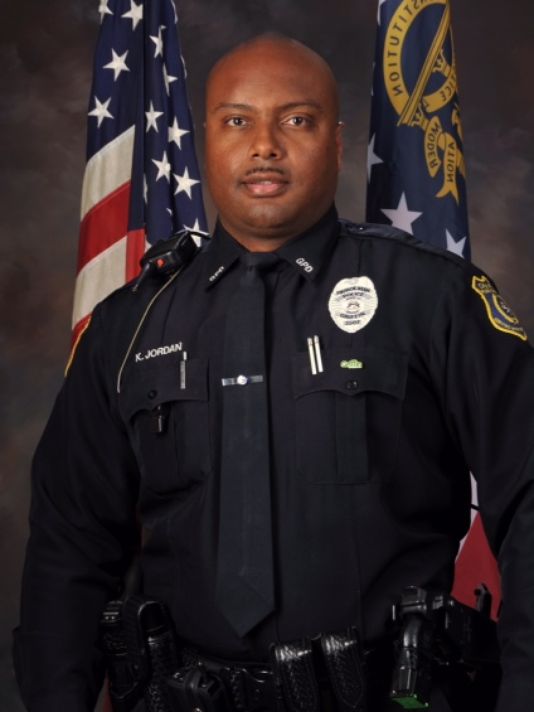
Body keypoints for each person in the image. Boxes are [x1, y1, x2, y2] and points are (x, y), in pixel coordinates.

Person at [14, 34, 534, 712]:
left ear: (336, 142)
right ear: (206, 140)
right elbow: (70, 544)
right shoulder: (130, 324)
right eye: (237, 121)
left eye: (296, 120)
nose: (265, 146)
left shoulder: (431, 297)